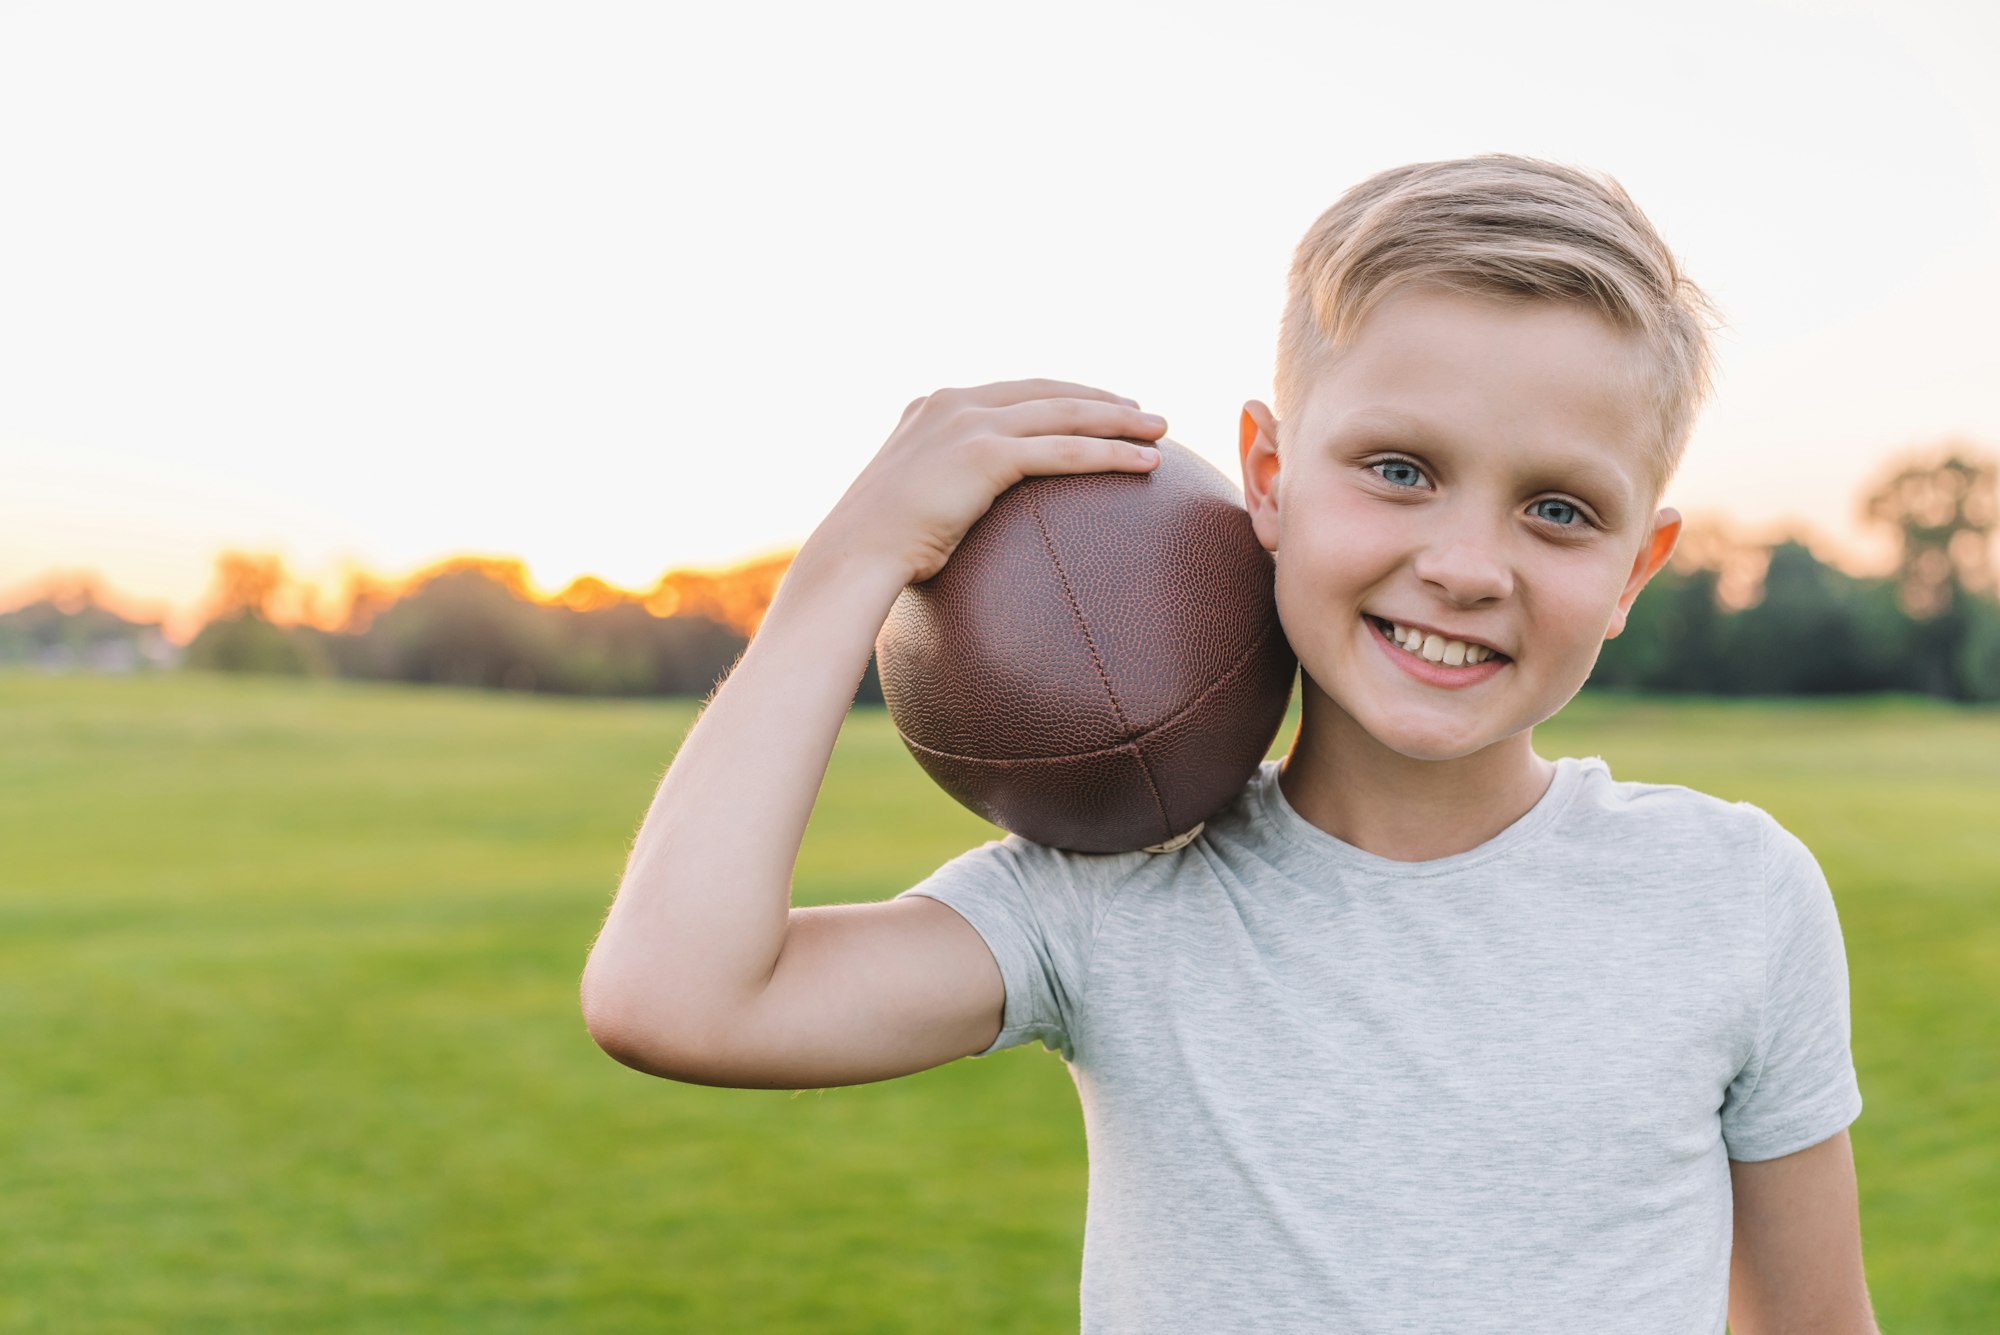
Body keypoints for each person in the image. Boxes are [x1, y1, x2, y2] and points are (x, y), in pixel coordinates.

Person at [580, 153, 1875, 1333]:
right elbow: (675, 1001)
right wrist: (855, 557)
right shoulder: (1112, 898)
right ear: (1266, 473)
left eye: (1559, 508)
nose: (1468, 567)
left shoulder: (1735, 897)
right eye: (1400, 470)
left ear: (1638, 565)